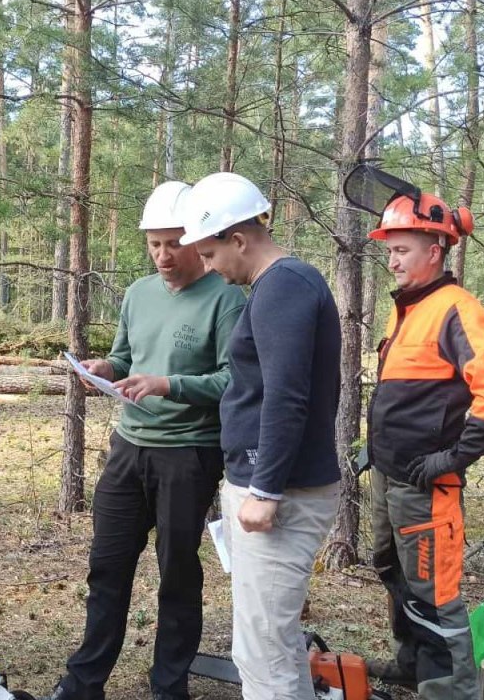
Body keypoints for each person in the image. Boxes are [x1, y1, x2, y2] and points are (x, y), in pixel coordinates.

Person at [41, 182, 247, 700]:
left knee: (177, 571)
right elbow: (127, 358)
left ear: (196, 240)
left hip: (189, 453)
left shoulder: (225, 299)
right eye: (154, 244)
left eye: (173, 243)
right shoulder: (138, 293)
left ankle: (168, 685)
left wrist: (168, 384)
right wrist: (105, 368)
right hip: (128, 446)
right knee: (107, 566)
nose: (163, 255)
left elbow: (233, 382)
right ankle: (84, 683)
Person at [344, 164, 484, 700]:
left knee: (434, 593)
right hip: (391, 478)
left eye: (401, 250)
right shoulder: (410, 311)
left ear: (434, 250)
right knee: (394, 574)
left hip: (426, 488)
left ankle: (450, 689)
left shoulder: (457, 310)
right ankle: (414, 665)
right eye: (390, 250)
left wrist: (449, 460)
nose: (392, 260)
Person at [177, 172, 342, 700]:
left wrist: (265, 490)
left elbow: (286, 396)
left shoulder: (285, 286)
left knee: (261, 653)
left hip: (283, 493)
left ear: (239, 240)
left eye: (208, 254)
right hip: (272, 486)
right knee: (276, 642)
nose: (206, 267)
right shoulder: (282, 286)